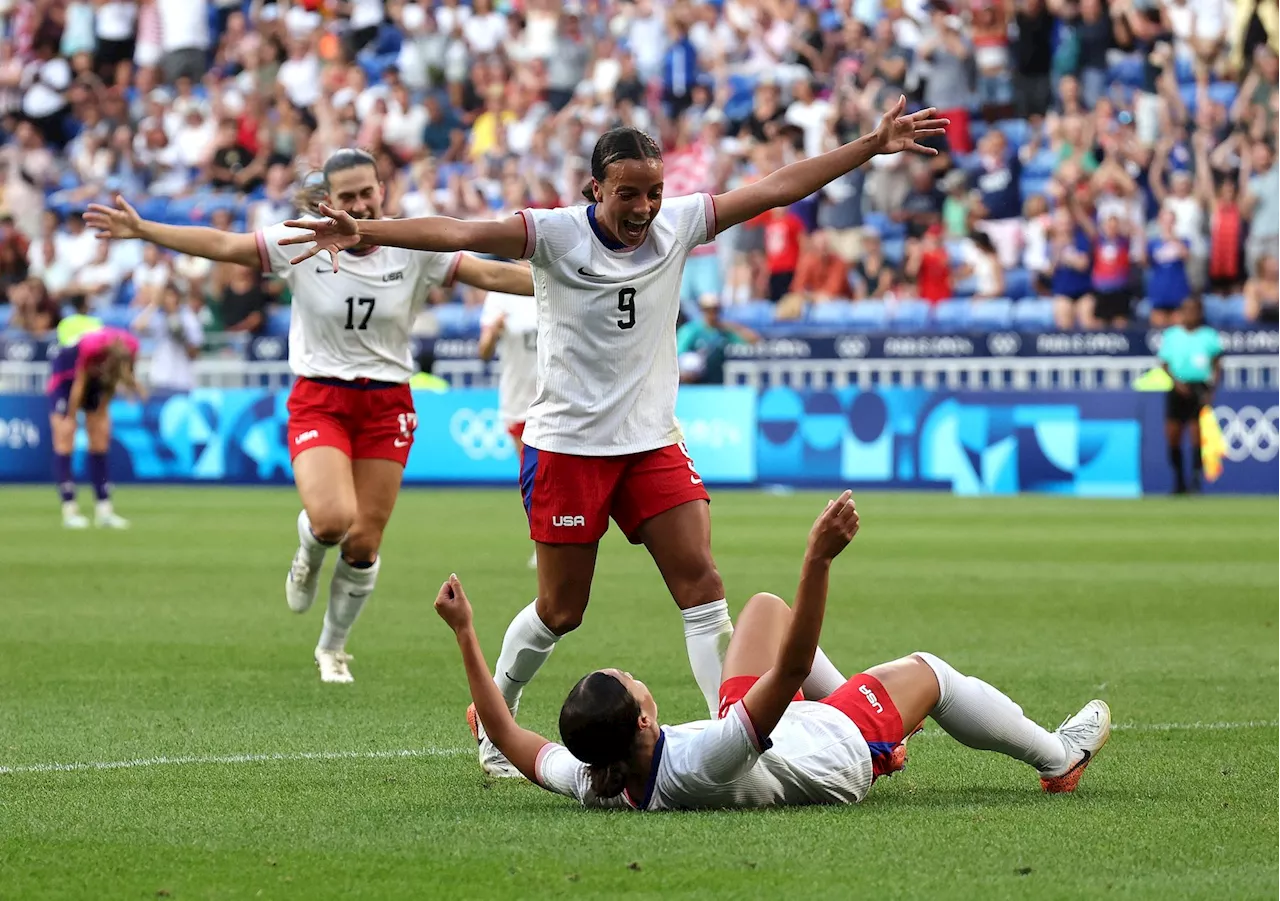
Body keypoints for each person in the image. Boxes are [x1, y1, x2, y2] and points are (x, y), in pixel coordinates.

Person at [279, 97, 947, 771]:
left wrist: (870, 144)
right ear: (597, 188)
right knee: (561, 609)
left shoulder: (680, 222)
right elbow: (460, 230)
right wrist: (372, 233)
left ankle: (735, 741)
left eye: (654, 192)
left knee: (702, 584)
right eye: (629, 193)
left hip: (651, 442)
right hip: (568, 447)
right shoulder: (556, 234)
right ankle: (492, 717)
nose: (645, 207)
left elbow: (775, 188)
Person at [84, 148, 535, 684]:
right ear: (329, 202)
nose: (360, 203)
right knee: (331, 521)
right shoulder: (302, 239)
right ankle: (308, 551)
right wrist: (145, 229)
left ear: (381, 192)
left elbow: (493, 276)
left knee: (365, 541)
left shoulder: (413, 245)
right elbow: (223, 245)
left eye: (367, 192)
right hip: (322, 396)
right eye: (347, 196)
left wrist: (585, 280)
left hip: (388, 402)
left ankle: (332, 647)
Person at [433, 491, 1112, 811]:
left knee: (759, 610)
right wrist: (817, 559)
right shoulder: (705, 758)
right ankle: (1057, 758)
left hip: (761, 734)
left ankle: (892, 738)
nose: (638, 676)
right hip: (830, 751)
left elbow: (507, 734)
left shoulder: (595, 776)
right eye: (632, 681)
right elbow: (791, 667)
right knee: (930, 671)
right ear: (643, 719)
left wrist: (466, 634)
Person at [46, 325, 143, 529]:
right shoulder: (91, 347)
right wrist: (71, 416)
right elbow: (79, 383)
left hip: (95, 381)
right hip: (66, 376)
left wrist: (101, 408)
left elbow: (112, 383)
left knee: (100, 437)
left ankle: (104, 510)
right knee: (65, 435)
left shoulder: (132, 346)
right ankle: (69, 509)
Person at [478, 288, 539, 568]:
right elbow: (484, 351)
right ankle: (543, 541)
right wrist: (493, 332)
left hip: (558, 396)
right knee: (533, 475)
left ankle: (565, 538)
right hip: (518, 399)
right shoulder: (501, 295)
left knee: (560, 474)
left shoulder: (557, 276)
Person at [1158, 297, 1223, 495]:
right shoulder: (1172, 335)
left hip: (1199, 387)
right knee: (1173, 434)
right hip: (1177, 387)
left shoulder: (1208, 335)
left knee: (1196, 434)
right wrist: (1177, 383)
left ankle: (1195, 480)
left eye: (1194, 310)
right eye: (1187, 310)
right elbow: (1164, 364)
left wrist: (1211, 389)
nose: (1190, 314)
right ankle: (1178, 481)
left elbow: (1217, 363)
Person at [676, 295, 759, 384]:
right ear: (702, 311)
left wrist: (730, 327)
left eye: (715, 310)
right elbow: (678, 353)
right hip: (694, 383)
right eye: (708, 310)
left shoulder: (723, 331)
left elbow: (753, 340)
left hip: (716, 382)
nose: (712, 314)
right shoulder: (691, 330)